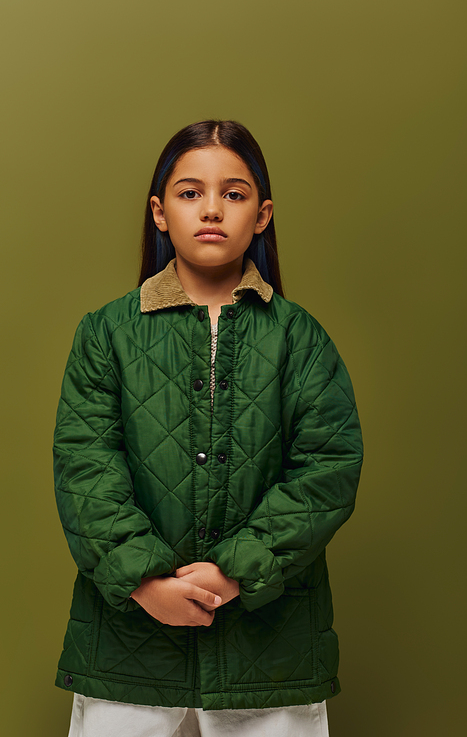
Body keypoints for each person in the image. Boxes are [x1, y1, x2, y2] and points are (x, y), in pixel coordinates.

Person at [53, 119, 363, 737]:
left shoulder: (300, 339)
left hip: (270, 652)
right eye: (190, 192)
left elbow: (327, 470)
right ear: (160, 212)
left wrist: (235, 572)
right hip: (127, 648)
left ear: (263, 214)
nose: (212, 209)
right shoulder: (106, 334)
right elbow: (86, 467)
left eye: (235, 193)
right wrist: (145, 579)